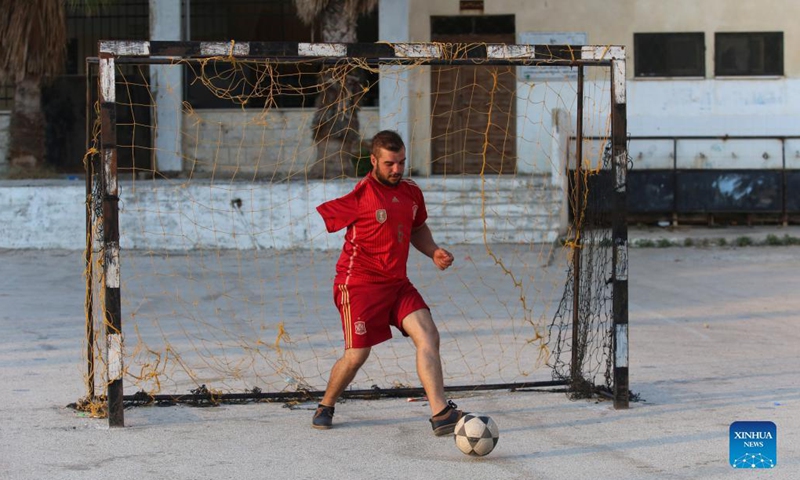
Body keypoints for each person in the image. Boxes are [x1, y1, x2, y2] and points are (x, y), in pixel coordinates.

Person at [313, 130, 465, 436]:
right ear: (373, 161)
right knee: (357, 355)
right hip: (358, 285)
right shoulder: (362, 194)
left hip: (397, 284)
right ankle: (326, 404)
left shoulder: (411, 192)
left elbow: (418, 227)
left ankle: (440, 414)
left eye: (401, 163)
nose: (397, 170)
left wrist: (433, 250)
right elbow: (328, 216)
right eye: (389, 164)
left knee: (428, 335)